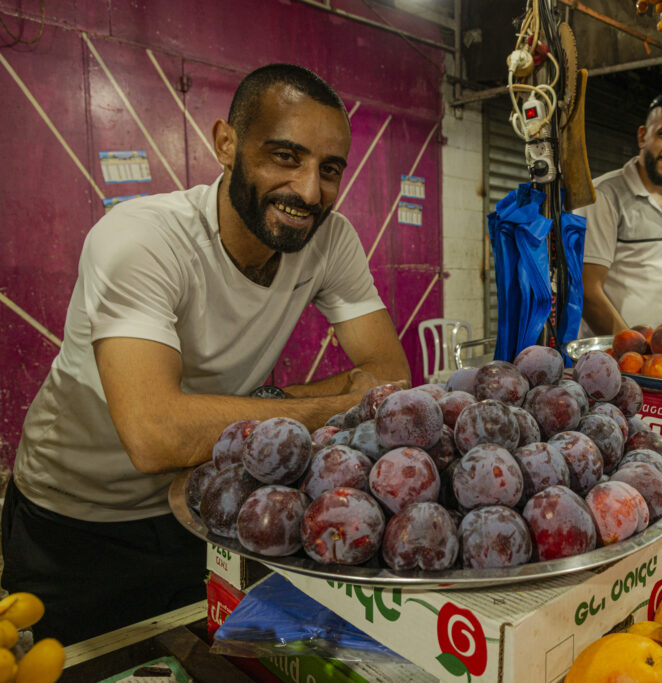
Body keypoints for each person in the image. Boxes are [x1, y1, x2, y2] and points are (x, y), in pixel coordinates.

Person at [1, 63, 410, 644]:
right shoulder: (142, 238)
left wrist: (267, 404)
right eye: (285, 157)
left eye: (330, 169)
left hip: (206, 509)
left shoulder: (329, 241)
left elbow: (391, 375)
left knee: (208, 657)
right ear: (226, 143)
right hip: (76, 524)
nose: (309, 191)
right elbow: (156, 435)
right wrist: (325, 405)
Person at [578, 90, 662, 336]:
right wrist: (635, 351)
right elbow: (587, 291)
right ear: (643, 136)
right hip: (615, 359)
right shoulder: (603, 195)